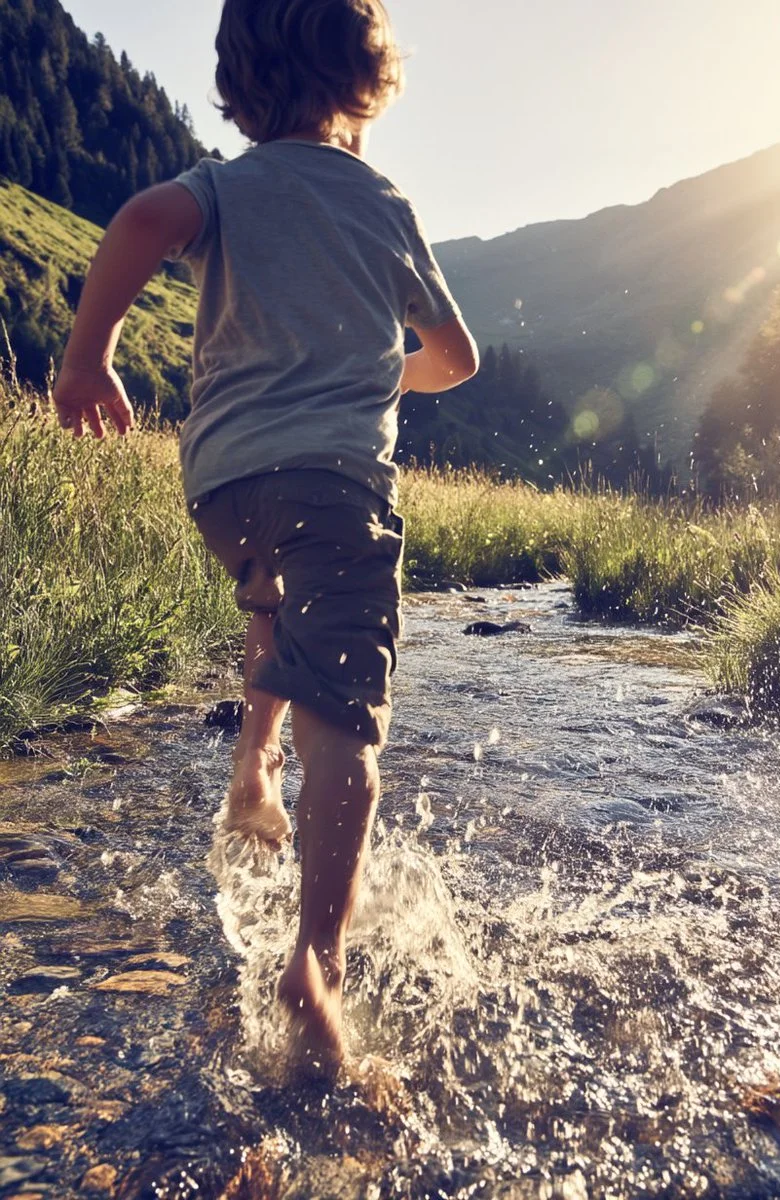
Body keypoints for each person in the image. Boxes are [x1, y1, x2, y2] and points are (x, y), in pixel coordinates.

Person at [52, 0, 478, 1077]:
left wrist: (86, 354)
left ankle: (251, 768)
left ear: (238, 81)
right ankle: (316, 964)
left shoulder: (223, 188)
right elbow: (456, 355)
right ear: (369, 78)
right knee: (352, 718)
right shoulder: (381, 200)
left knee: (275, 616)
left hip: (224, 481)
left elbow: (144, 221)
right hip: (335, 482)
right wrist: (387, 370)